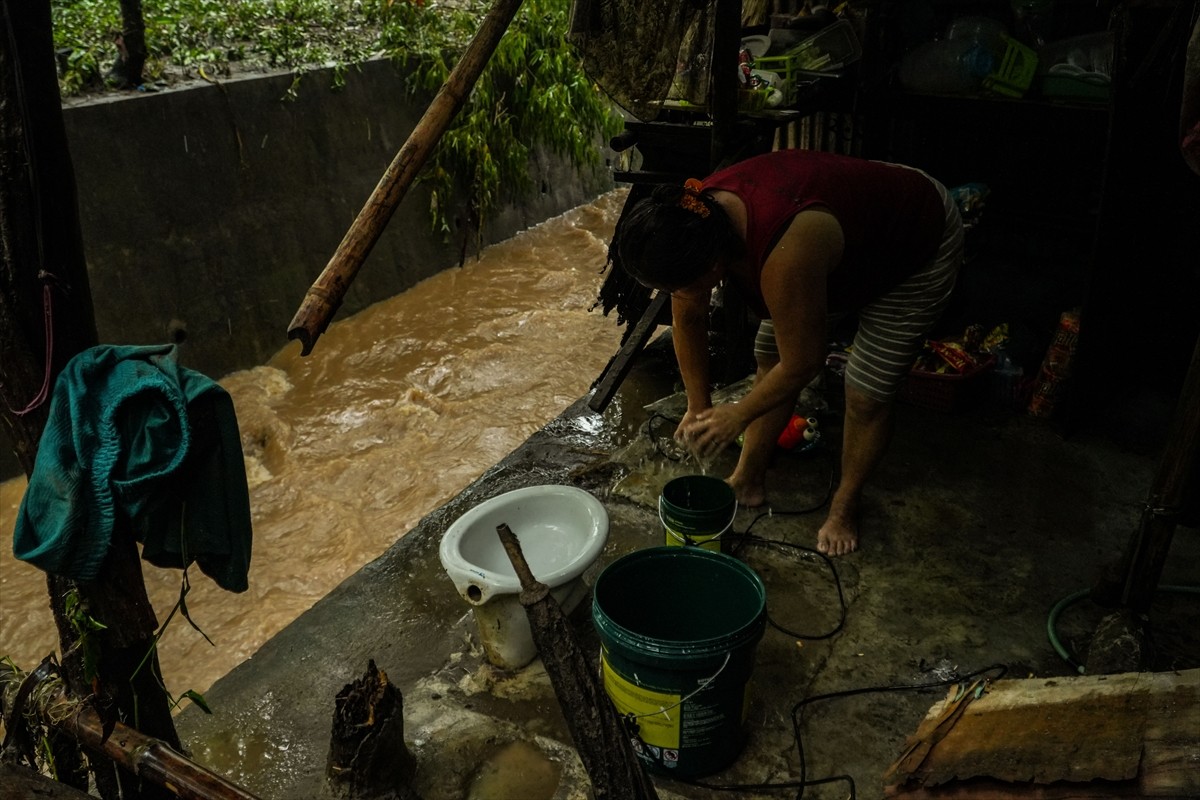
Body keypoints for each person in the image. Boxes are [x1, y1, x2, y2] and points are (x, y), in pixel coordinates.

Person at [610, 148, 965, 556]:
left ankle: (845, 506)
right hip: (845, 232)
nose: (676, 297)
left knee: (867, 392)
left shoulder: (785, 251)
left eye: (679, 287)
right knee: (771, 357)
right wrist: (698, 405)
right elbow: (688, 321)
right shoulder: (691, 221)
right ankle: (747, 481)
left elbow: (804, 363)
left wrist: (737, 414)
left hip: (913, 237)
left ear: (712, 268)